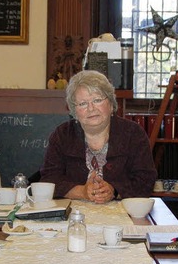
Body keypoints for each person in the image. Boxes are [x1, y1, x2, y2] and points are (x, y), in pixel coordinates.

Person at [40, 70, 156, 202]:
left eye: (97, 100)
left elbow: (146, 181)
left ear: (111, 104)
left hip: (122, 214)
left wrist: (114, 190)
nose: (91, 108)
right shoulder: (62, 135)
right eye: (83, 103)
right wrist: (82, 192)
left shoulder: (133, 133)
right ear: (74, 111)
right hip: (73, 214)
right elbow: (49, 179)